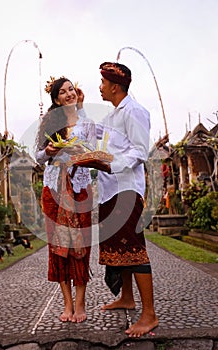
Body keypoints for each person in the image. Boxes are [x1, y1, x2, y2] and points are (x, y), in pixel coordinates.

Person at [96, 62, 159, 337]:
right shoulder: (112, 117)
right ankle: (127, 298)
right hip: (110, 190)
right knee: (119, 249)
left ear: (114, 86)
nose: (100, 87)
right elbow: (93, 134)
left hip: (127, 190)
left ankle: (149, 315)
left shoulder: (135, 112)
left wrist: (111, 165)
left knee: (133, 247)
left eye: (102, 83)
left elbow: (140, 152)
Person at [35, 76, 96, 323]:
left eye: (72, 89)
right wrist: (48, 151)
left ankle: (80, 303)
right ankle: (67, 305)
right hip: (54, 189)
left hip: (80, 187)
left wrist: (81, 108)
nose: (69, 94)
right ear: (56, 98)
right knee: (59, 248)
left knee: (80, 246)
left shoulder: (85, 120)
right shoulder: (49, 122)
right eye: (63, 91)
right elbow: (38, 157)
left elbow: (93, 148)